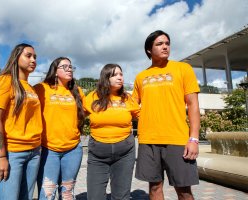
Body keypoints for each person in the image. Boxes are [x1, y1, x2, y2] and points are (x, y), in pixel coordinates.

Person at [132, 30, 200, 200]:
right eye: (159, 44)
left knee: (184, 190)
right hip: (148, 140)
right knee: (154, 188)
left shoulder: (183, 68)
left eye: (167, 43)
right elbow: (133, 106)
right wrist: (145, 117)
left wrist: (194, 139)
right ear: (149, 49)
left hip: (177, 139)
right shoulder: (141, 77)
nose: (165, 47)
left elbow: (193, 105)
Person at [0, 43, 42, 200]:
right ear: (16, 58)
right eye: (28, 55)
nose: (33, 59)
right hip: (12, 153)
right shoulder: (5, 81)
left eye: (35, 57)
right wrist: (0, 156)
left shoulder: (31, 88)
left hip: (34, 152)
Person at [84, 64, 140, 200]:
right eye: (115, 75)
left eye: (121, 74)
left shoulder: (128, 98)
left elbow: (141, 117)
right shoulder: (92, 97)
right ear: (105, 77)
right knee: (94, 196)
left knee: (121, 196)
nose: (120, 77)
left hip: (125, 153)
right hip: (98, 153)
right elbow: (77, 117)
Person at [34, 57, 85, 200]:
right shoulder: (41, 89)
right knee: (47, 194)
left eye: (71, 67)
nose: (69, 69)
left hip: (73, 150)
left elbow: (89, 111)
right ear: (55, 71)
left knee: (68, 193)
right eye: (65, 66)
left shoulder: (77, 91)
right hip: (49, 150)